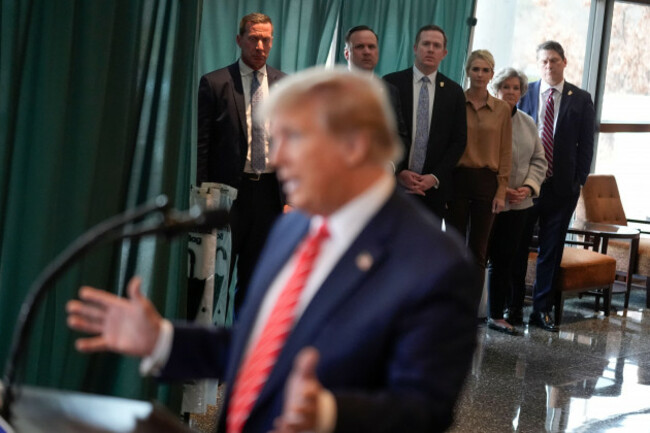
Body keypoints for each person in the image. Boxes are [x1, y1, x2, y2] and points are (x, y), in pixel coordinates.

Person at [66, 68, 481, 433]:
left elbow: (425, 410)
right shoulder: (293, 226)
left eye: (292, 137)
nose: (276, 157)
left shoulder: (435, 264)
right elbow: (260, 348)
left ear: (354, 145)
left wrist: (329, 414)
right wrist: (163, 340)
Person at [197, 13, 285, 312]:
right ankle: (210, 343)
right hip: (227, 195)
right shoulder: (215, 82)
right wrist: (204, 197)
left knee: (256, 279)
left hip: (270, 196)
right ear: (239, 40)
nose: (260, 46)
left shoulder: (285, 85)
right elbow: (203, 145)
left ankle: (243, 345)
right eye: (253, 38)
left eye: (266, 39)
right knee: (213, 277)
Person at [513, 41, 595, 332]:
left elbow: (586, 144)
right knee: (518, 246)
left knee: (551, 249)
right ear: (539, 64)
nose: (549, 66)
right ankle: (513, 306)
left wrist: (578, 181)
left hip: (562, 189)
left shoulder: (581, 98)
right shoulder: (525, 93)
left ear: (564, 62)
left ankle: (541, 310)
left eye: (554, 60)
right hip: (527, 185)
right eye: (544, 61)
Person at [485, 68, 547, 335]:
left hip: (519, 204)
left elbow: (539, 160)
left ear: (522, 93)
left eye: (516, 88)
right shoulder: (486, 119)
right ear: (496, 90)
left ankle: (497, 315)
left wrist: (526, 187)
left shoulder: (528, 122)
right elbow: (478, 159)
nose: (511, 92)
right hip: (487, 202)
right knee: (478, 258)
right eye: (506, 87)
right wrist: (501, 188)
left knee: (505, 261)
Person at [383, 25, 467, 220]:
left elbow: (458, 141)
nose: (430, 49)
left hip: (433, 190)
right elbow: (382, 135)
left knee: (427, 249)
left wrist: (434, 177)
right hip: (395, 186)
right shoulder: (390, 84)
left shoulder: (454, 92)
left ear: (444, 53)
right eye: (426, 44)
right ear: (415, 48)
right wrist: (400, 171)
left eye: (436, 46)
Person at [446, 50, 512, 288]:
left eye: (485, 70)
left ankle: (469, 312)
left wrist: (501, 189)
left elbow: (505, 151)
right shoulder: (454, 103)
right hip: (457, 180)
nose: (480, 74)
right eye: (476, 69)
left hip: (487, 182)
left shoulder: (503, 109)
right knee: (453, 247)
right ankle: (450, 304)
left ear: (492, 74)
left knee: (478, 251)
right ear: (468, 72)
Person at [343, 25, 409, 148]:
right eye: (359, 47)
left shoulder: (390, 91)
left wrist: (391, 165)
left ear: (377, 52)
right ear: (347, 53)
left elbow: (400, 137)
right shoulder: (329, 89)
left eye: (371, 47)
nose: (367, 52)